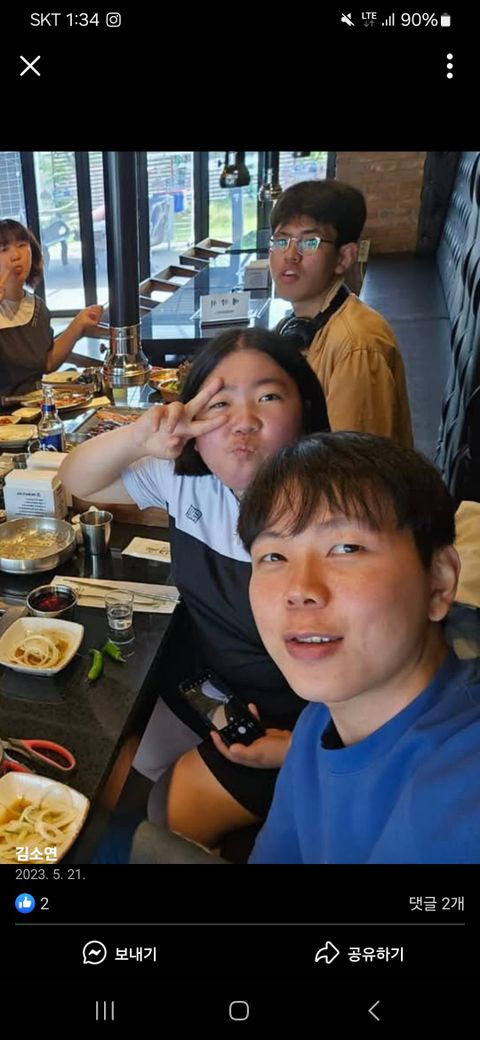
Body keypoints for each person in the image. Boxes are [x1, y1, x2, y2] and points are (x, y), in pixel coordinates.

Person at [58, 328, 330, 850]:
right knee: (115, 741)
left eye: (268, 397)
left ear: (306, 412)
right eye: (219, 403)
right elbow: (77, 479)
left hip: (302, 724)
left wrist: (295, 748)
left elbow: (388, 677)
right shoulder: (189, 481)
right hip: (213, 690)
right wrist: (138, 438)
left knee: (170, 810)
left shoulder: (337, 514)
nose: (243, 421)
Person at [227, 431, 480, 864]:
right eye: (273, 557)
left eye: (346, 548)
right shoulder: (320, 720)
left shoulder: (462, 793)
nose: (300, 590)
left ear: (439, 581)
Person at [269, 181, 414, 447]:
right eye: (281, 240)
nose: (290, 255)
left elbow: (353, 466)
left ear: (344, 258)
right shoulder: (302, 324)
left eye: (309, 242)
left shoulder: (356, 346)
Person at [0, 218, 103, 395]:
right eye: (3, 249)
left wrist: (78, 324)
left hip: (36, 405)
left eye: (22, 245)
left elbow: (47, 363)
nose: (16, 255)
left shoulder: (37, 307)